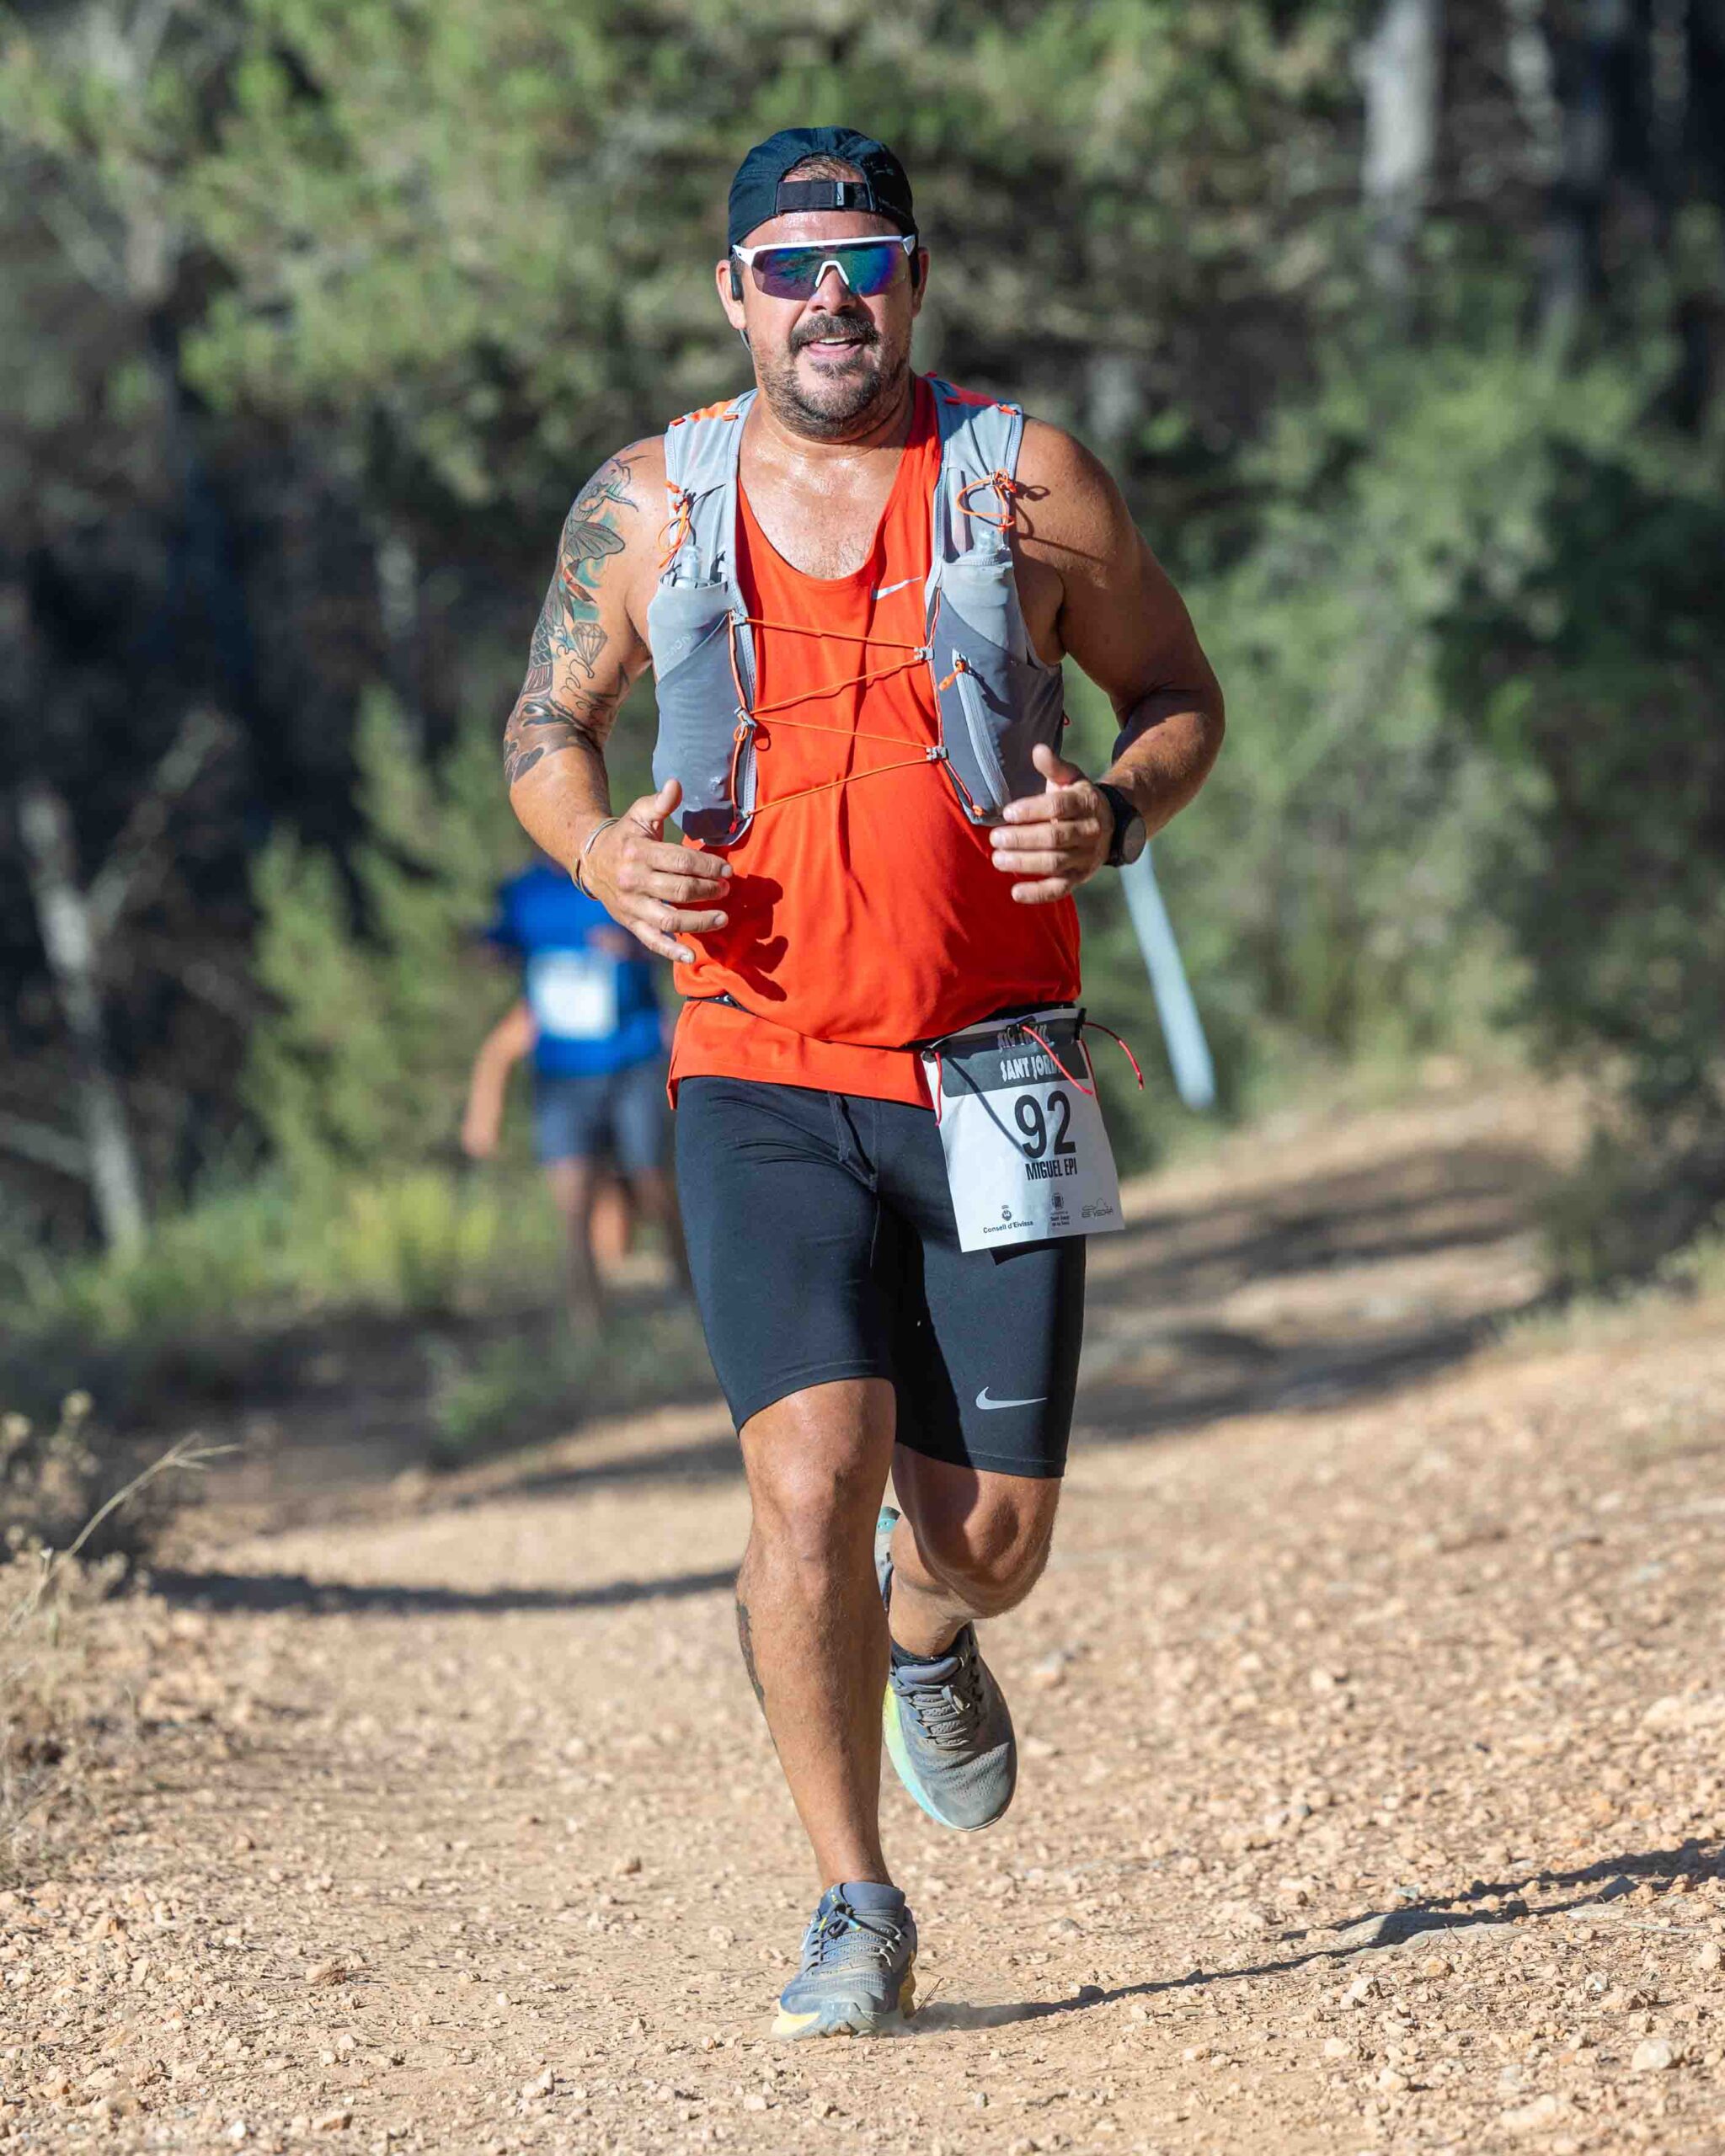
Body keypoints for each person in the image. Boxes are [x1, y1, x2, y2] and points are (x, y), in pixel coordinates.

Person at [502, 126, 1224, 2036]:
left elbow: (1177, 693)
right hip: (752, 1063)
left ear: (912, 282)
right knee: (807, 1475)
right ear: (732, 292)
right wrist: (598, 855)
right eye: (791, 266)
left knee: (992, 1542)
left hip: (1000, 1065)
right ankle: (852, 1897)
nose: (832, 297)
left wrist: (1114, 811)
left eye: (868, 261)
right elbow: (543, 725)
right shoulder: (648, 503)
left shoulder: (1031, 483)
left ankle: (927, 1633)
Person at [461, 856, 688, 1322]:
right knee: (574, 1199)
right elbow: (500, 947)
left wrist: (633, 948)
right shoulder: (523, 892)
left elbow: (676, 939)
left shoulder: (621, 874)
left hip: (632, 1060)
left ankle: (688, 1291)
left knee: (654, 1183)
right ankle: (587, 1322)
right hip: (561, 1071)